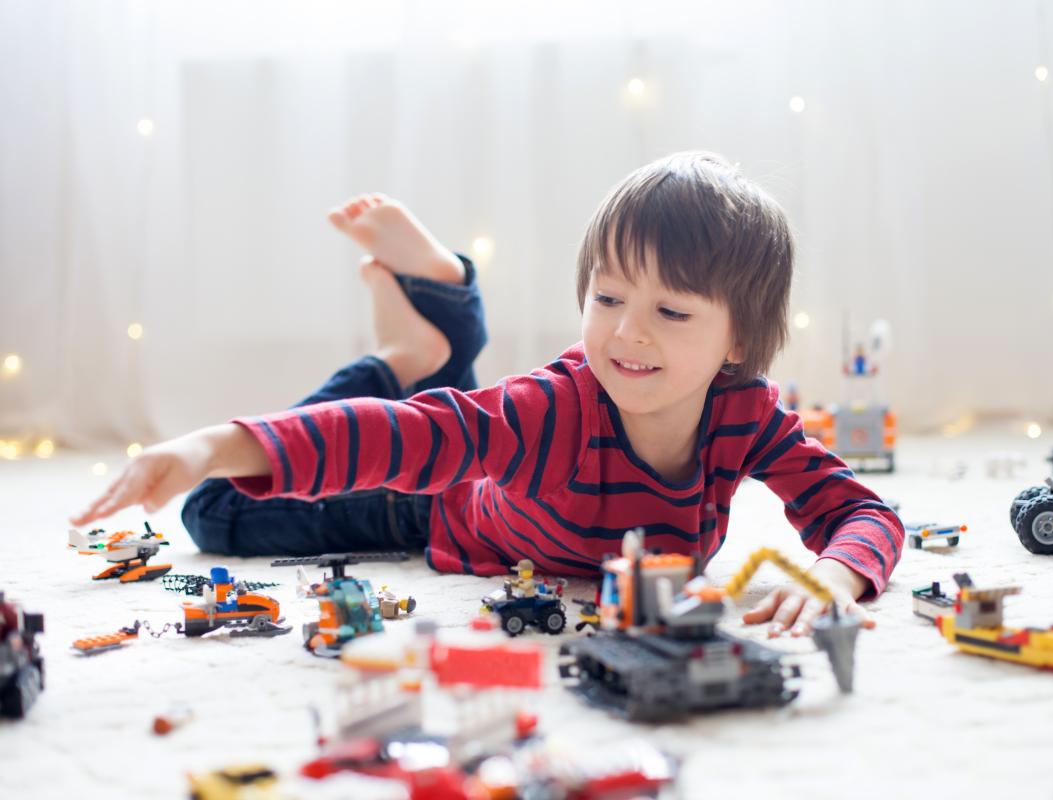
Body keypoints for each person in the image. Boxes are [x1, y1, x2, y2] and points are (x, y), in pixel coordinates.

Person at [71, 152, 903, 636]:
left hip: (490, 459)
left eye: (671, 311)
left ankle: (433, 333)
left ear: (742, 344)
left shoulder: (746, 416)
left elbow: (864, 514)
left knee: (460, 408)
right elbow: (395, 439)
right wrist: (209, 446)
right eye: (607, 298)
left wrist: (835, 577)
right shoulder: (556, 408)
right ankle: (408, 349)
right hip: (440, 511)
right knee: (211, 513)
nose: (625, 334)